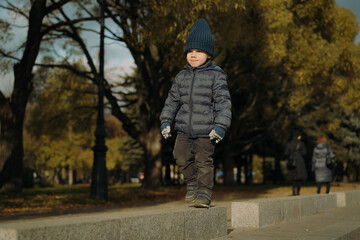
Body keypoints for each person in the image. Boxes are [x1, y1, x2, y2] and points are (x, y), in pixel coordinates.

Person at [159, 18, 232, 208]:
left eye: (198, 51)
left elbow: (224, 103)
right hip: (184, 128)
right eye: (190, 51)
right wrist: (166, 121)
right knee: (180, 156)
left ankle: (204, 193)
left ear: (208, 54)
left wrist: (220, 126)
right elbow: (172, 101)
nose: (193, 55)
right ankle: (192, 182)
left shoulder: (216, 76)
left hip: (206, 130)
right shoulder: (181, 76)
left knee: (203, 162)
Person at [284, 129, 307, 196]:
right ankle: (298, 191)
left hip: (292, 161)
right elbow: (304, 153)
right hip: (299, 161)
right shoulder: (301, 144)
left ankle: (293, 190)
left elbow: (286, 153)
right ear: (298, 136)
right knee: (299, 177)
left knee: (293, 177)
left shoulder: (289, 144)